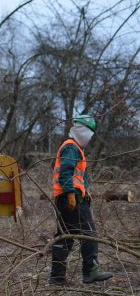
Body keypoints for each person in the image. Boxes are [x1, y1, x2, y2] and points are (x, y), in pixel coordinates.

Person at [49, 114, 113, 286]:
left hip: (66, 198)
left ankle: (57, 276)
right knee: (89, 235)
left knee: (64, 237)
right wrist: (71, 193)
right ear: (81, 131)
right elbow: (66, 173)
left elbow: (78, 175)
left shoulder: (74, 148)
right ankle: (90, 272)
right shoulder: (71, 147)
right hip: (72, 199)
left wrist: (86, 191)